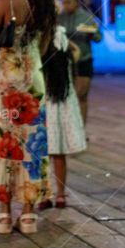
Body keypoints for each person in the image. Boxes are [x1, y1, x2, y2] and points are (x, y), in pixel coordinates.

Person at [0, 0, 53, 235]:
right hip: (34, 78)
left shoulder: (5, 2)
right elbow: (45, 46)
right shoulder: (46, 5)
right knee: (33, 145)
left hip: (4, 81)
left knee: (4, 143)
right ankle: (28, 215)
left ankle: (3, 214)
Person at [37, 25, 86, 210]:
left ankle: (44, 194)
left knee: (41, 153)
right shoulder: (62, 41)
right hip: (63, 100)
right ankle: (61, 195)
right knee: (59, 152)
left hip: (45, 100)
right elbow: (77, 51)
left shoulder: (40, 41)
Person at [57, 0, 100, 125]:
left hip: (84, 59)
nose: (66, 5)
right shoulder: (60, 18)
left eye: (68, 2)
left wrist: (90, 33)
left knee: (82, 95)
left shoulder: (86, 17)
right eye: (64, 3)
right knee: (67, 96)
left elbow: (99, 38)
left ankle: (81, 127)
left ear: (76, 3)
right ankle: (70, 128)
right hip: (65, 61)